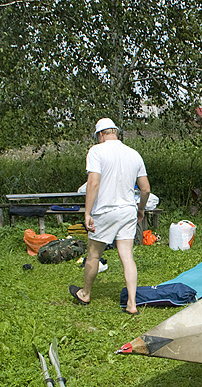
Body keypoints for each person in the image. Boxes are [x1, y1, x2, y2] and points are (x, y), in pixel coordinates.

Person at [69, 118, 151, 314]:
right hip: (128, 211)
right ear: (115, 132)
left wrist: (87, 212)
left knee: (94, 254)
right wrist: (141, 209)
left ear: (100, 135)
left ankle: (85, 294)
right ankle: (132, 303)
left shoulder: (97, 151)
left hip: (105, 211)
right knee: (127, 256)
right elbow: (145, 189)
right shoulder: (134, 154)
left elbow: (93, 183)